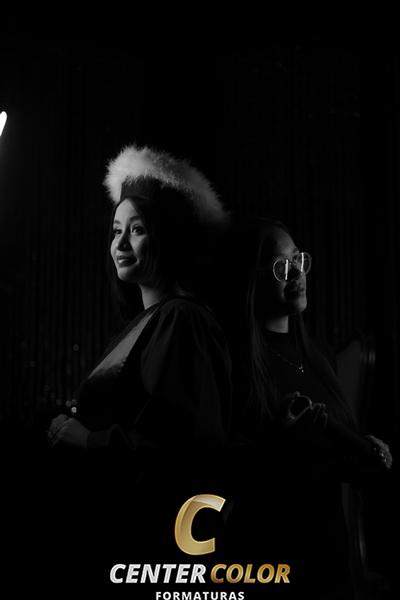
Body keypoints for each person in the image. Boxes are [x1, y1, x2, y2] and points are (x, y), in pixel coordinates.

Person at [45, 143, 232, 587]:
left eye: (137, 229)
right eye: (115, 231)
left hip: (154, 540)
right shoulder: (147, 323)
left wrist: (87, 440)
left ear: (165, 236)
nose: (121, 244)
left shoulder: (181, 319)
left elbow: (178, 446)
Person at [226, 217, 392, 599]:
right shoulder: (237, 366)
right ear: (253, 279)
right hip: (273, 559)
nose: (297, 274)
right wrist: (280, 440)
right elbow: (230, 476)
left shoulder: (319, 357)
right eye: (281, 267)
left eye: (298, 260)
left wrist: (365, 450)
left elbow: (333, 462)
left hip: (330, 558)